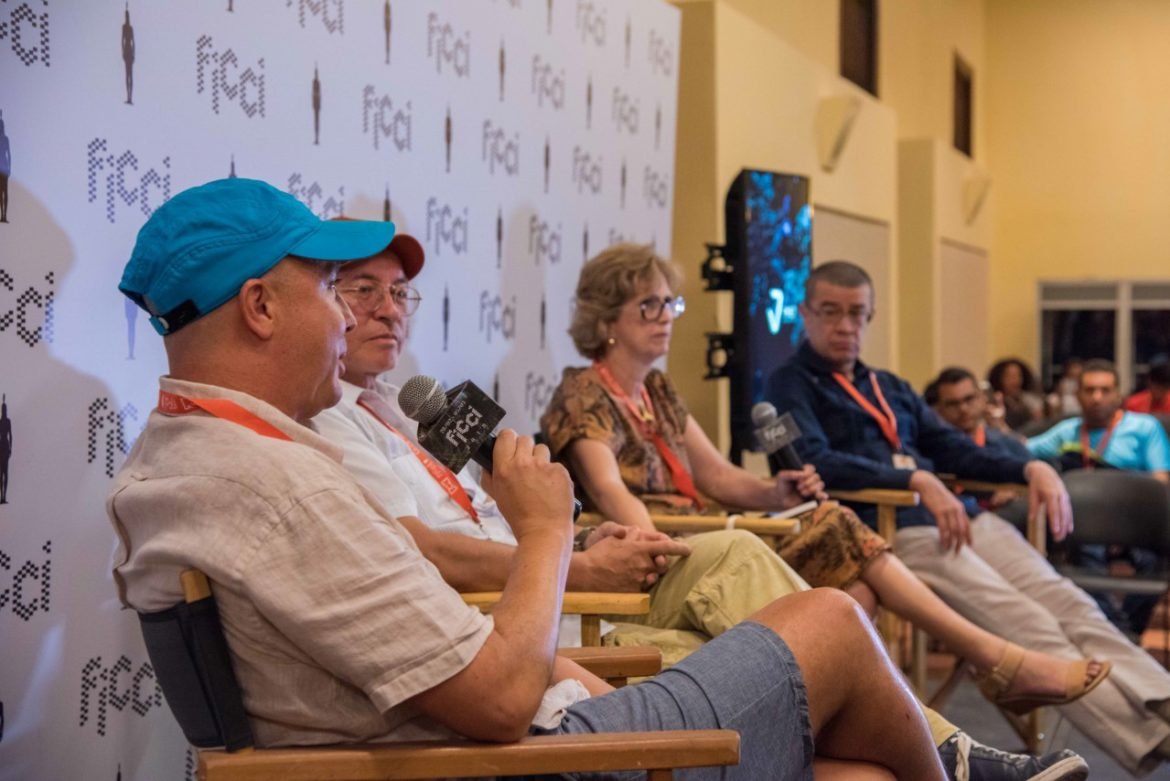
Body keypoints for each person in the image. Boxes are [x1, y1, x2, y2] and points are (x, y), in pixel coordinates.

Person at [107, 178, 947, 781]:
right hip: (517, 756)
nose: (352, 317)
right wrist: (548, 531)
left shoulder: (185, 457)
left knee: (859, 771)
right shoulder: (279, 486)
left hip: (504, 727)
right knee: (831, 619)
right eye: (335, 289)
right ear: (260, 307)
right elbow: (502, 698)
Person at [315, 237, 1089, 781]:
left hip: (596, 560)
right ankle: (973, 703)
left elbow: (718, 476)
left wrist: (774, 493)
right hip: (604, 570)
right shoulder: (578, 395)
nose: (666, 316)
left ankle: (964, 713)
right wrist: (587, 553)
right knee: (823, 588)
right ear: (609, 318)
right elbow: (609, 501)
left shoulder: (411, 406)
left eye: (400, 293)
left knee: (827, 562)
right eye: (361, 291)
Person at [767, 260, 1170, 775]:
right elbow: (810, 462)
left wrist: (1029, 467)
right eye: (830, 312)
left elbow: (953, 447)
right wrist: (914, 480)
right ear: (805, 314)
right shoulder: (788, 385)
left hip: (962, 520)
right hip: (890, 531)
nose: (845, 326)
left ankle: (1161, 700)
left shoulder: (887, 385)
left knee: (1072, 603)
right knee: (1029, 622)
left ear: (870, 316)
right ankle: (1153, 741)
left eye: (856, 313)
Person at [1026, 359, 1170, 634]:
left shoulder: (1144, 428)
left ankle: (1122, 632)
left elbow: (1161, 482)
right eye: (1089, 390)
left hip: (1137, 525)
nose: (1096, 398)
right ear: (1077, 395)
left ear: (1119, 395)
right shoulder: (1067, 431)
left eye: (1105, 390)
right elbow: (1021, 449)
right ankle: (1118, 632)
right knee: (1083, 551)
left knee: (1154, 562)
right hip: (1086, 527)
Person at [988, 357, 1045, 431]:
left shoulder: (1029, 399)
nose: (1015, 380)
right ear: (1000, 379)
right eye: (1010, 376)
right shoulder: (994, 401)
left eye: (1018, 375)